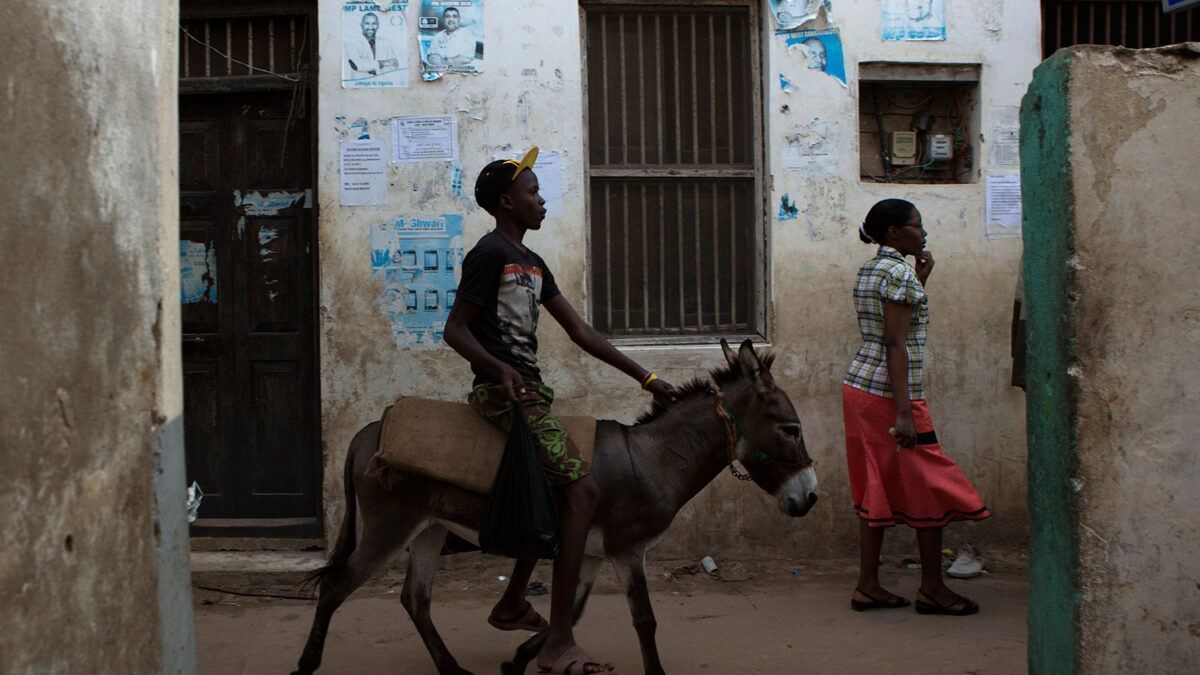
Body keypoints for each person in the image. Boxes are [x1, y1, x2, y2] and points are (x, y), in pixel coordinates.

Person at [444, 147, 677, 674]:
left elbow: (581, 332)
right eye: (532, 192)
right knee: (585, 489)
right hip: (503, 395)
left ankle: (511, 603)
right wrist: (498, 371)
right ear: (507, 202)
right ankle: (558, 642)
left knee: (555, 490)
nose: (542, 200)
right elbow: (454, 330)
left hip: (533, 393)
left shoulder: (533, 262)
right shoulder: (489, 253)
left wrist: (648, 377)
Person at [841, 198, 990, 616]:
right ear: (894, 233)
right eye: (917, 226)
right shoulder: (900, 273)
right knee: (928, 486)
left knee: (876, 484)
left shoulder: (874, 268)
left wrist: (920, 280)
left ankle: (868, 585)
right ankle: (932, 588)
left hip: (860, 388)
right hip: (891, 397)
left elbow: (891, 328)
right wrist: (905, 413)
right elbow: (895, 343)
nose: (924, 233)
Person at [345, 12, 400, 77]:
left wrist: (369, 67)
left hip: (383, 84)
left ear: (378, 25)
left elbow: (394, 65)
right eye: (367, 24)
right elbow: (357, 65)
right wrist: (383, 64)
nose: (370, 27)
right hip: (360, 85)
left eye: (374, 24)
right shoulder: (352, 43)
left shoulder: (386, 43)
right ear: (361, 25)